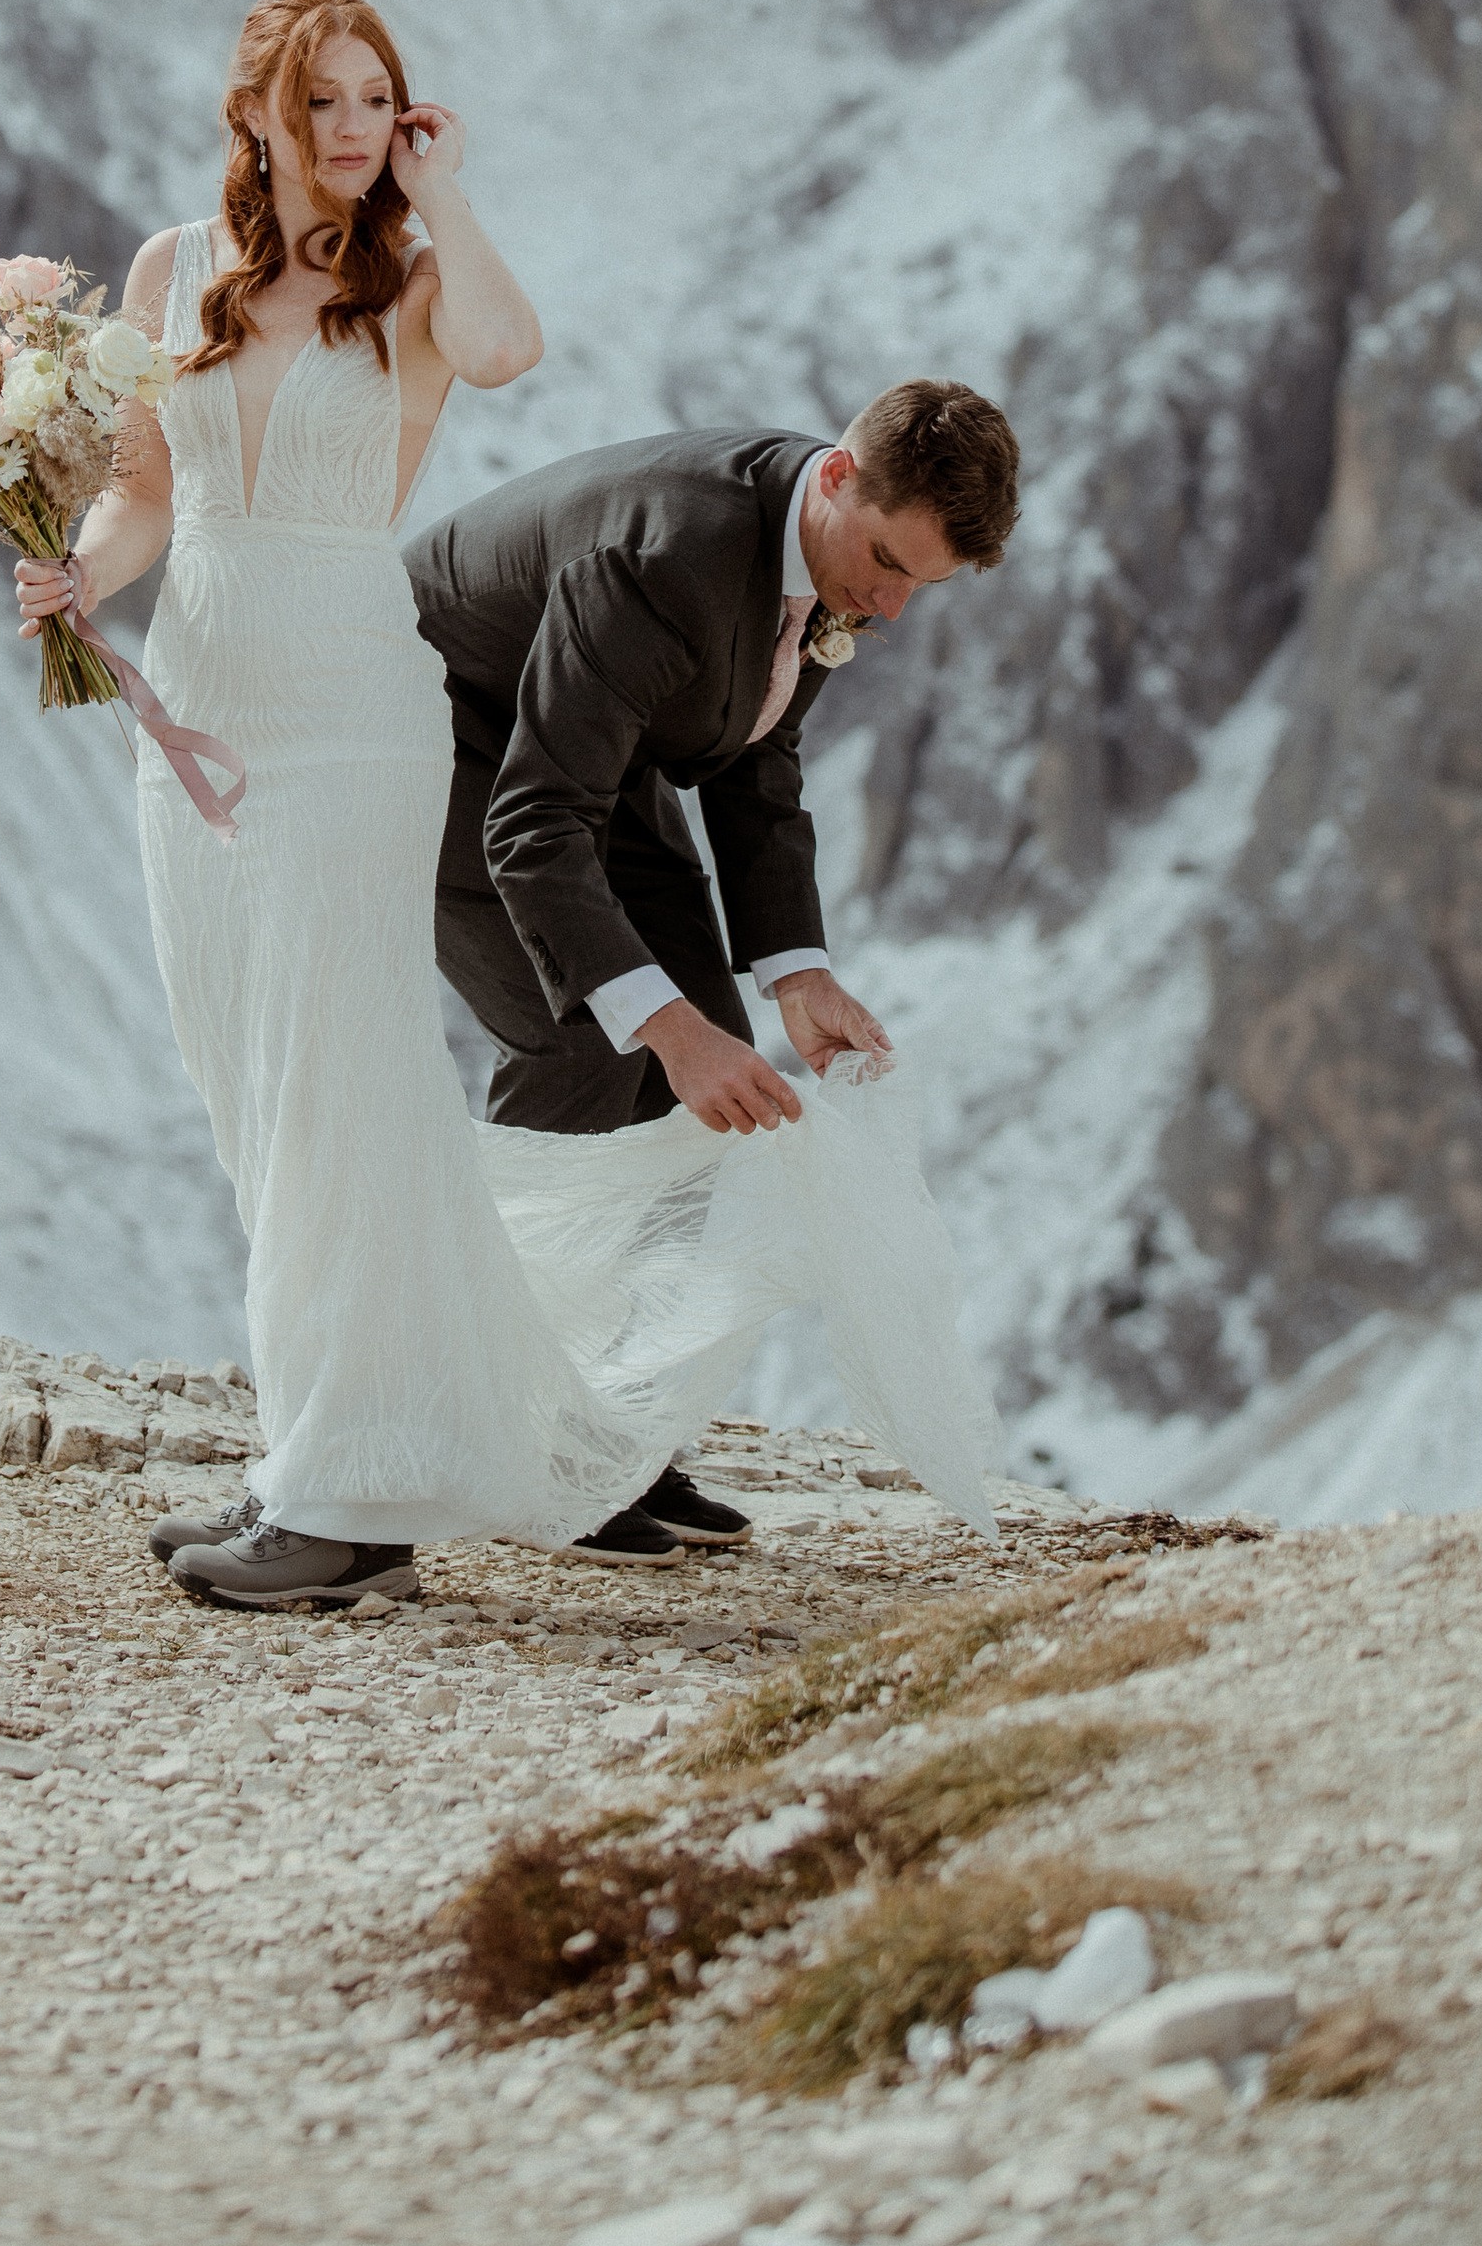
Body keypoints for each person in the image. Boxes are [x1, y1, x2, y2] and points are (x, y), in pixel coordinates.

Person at [17, 0, 1004, 1611]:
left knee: (351, 1098)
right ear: (255, 109)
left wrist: (438, 185)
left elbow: (508, 346)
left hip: (356, 722)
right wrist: (73, 575)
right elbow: (141, 492)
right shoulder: (168, 275)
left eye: (372, 100)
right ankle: (372, 1452)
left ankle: (357, 1500)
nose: (345, 130)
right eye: (319, 102)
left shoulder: (409, 277)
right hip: (196, 717)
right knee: (256, 1100)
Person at [407, 387, 1022, 1555]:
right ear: (837, 477)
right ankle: (493, 1428)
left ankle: (607, 1440)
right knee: (594, 1037)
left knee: (706, 1051)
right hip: (439, 739)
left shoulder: (831, 563)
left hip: (589, 743)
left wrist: (795, 973)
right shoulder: (666, 555)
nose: (887, 607)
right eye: (886, 565)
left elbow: (755, 757)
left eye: (916, 589)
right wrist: (669, 1032)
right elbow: (533, 823)